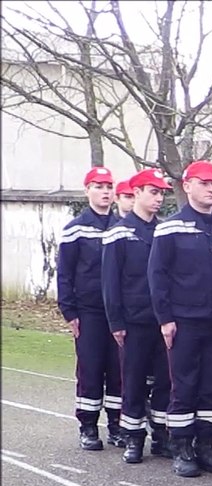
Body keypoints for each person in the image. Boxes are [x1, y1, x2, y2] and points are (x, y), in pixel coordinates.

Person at [149, 160, 212, 477]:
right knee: (184, 384)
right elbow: (158, 276)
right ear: (187, 186)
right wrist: (165, 318)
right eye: (205, 183)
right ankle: (182, 447)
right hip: (184, 320)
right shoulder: (171, 227)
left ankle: (207, 446)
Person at [102, 168, 174, 464]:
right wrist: (116, 322)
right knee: (132, 381)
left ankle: (160, 435)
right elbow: (110, 282)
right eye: (153, 192)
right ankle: (133, 437)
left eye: (161, 193)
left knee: (165, 381)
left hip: (163, 320)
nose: (158, 199)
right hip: (134, 320)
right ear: (137, 193)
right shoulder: (120, 232)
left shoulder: (166, 229)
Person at [58, 166, 124, 450]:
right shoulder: (75, 229)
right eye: (98, 186)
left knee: (118, 369)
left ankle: (116, 425)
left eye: (109, 186)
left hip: (119, 313)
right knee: (90, 369)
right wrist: (69, 312)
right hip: (89, 311)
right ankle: (88, 425)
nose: (105, 192)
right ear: (87, 191)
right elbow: (65, 274)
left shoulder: (122, 226)